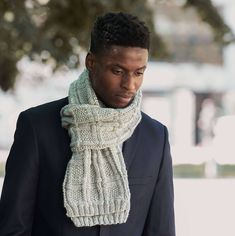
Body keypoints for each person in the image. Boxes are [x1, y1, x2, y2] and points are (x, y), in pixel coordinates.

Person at [0, 12, 175, 236]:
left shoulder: (155, 137)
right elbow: (13, 227)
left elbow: (161, 229)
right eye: (118, 71)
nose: (129, 85)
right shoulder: (37, 127)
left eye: (138, 73)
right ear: (91, 62)